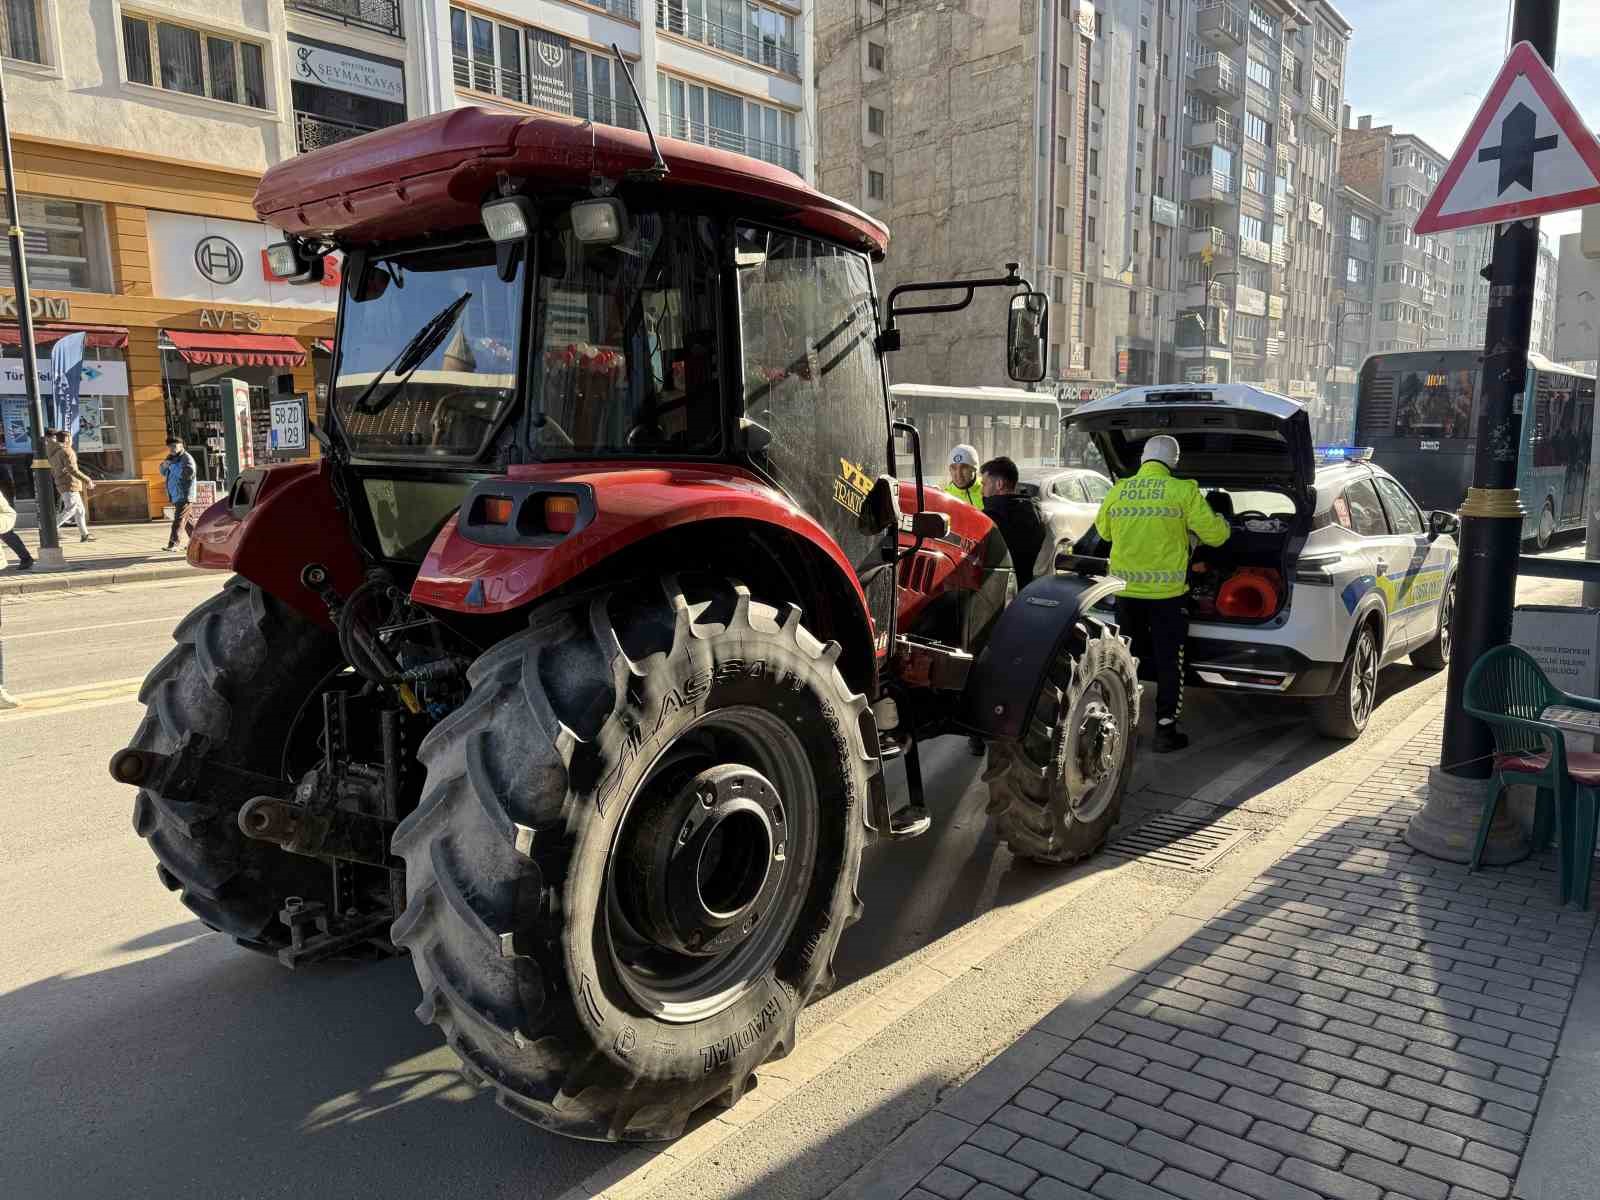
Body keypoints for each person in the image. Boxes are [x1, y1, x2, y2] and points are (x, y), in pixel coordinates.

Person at [1093, 434, 1230, 754]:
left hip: (1125, 592)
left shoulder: (1120, 489)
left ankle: (1122, 726)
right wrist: (1222, 523)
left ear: (1143, 458)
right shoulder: (1183, 491)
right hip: (1167, 596)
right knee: (1170, 661)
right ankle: (1165, 731)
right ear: (1174, 462)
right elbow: (1217, 536)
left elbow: (1103, 532)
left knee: (1127, 659)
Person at [979, 456, 1049, 589]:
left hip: (997, 592)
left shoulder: (989, 518)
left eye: (984, 484)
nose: (982, 490)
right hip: (1026, 589)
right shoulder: (1035, 511)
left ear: (999, 484)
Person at [45, 429, 95, 543]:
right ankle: (50, 530)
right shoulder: (67, 451)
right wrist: (87, 480)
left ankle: (85, 534)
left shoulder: (54, 451)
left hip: (63, 482)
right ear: (68, 439)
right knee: (71, 509)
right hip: (70, 483)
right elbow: (72, 470)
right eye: (71, 438)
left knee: (80, 511)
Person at [161, 436, 199, 551]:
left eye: (174, 446)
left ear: (181, 446)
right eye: (169, 447)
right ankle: (197, 543)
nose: (171, 449)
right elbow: (163, 472)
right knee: (188, 522)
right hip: (176, 494)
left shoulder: (186, 458)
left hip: (184, 494)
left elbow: (187, 474)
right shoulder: (171, 457)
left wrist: (171, 466)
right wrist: (164, 466)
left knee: (179, 520)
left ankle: (173, 544)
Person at [0, 485, 33, 572]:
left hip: (4, 510)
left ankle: (26, 558)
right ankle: (26, 558)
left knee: (7, 535)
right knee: (7, 535)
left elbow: (7, 482)